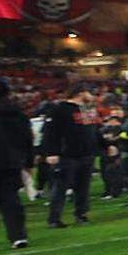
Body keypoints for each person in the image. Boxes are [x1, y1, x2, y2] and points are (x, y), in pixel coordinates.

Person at [0, 79, 31, 249]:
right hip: (11, 163)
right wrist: (28, 162)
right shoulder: (18, 114)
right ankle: (18, 236)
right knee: (11, 201)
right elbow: (27, 139)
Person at [41, 83, 99, 228]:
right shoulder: (60, 109)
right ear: (81, 93)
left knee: (83, 187)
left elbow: (92, 131)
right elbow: (50, 132)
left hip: (86, 154)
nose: (92, 96)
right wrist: (51, 152)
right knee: (61, 187)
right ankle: (54, 219)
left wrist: (105, 145)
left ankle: (81, 214)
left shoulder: (86, 109)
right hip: (67, 155)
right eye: (90, 93)